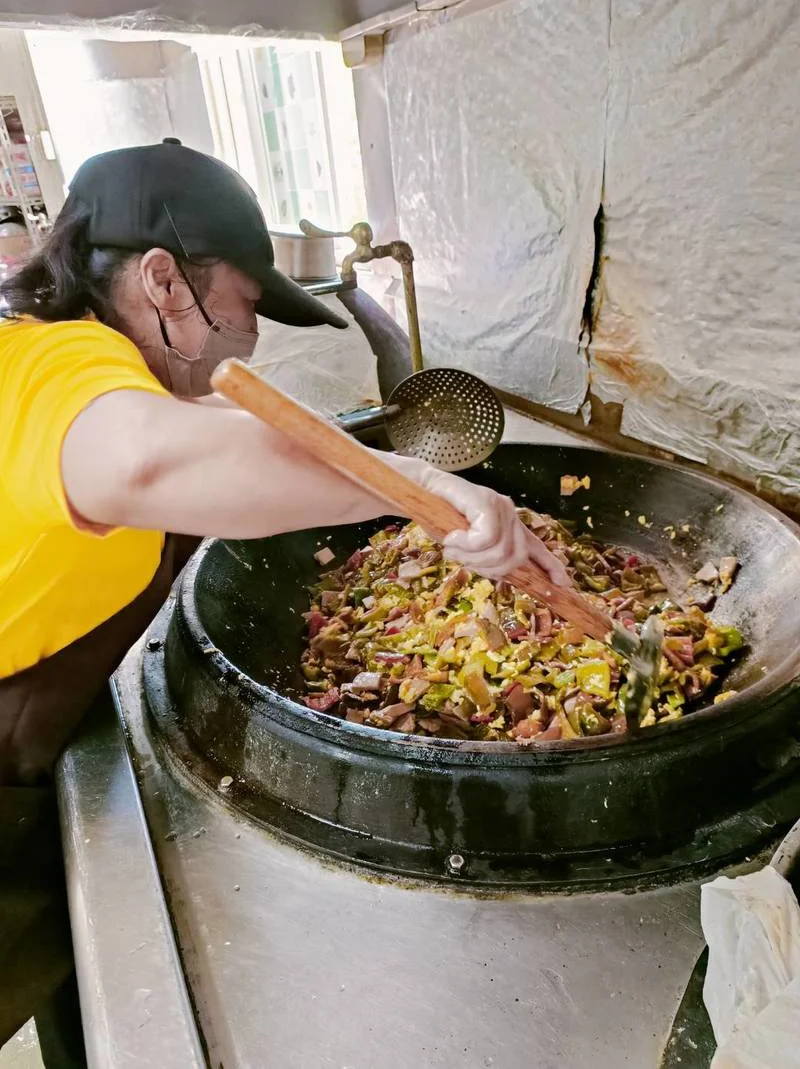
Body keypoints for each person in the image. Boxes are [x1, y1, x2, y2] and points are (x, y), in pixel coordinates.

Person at [0, 139, 568, 1066]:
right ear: (163, 281)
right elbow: (144, 458)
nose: (253, 335)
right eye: (248, 301)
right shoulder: (48, 364)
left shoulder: (121, 375)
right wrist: (419, 485)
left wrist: (417, 484)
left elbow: (236, 433)